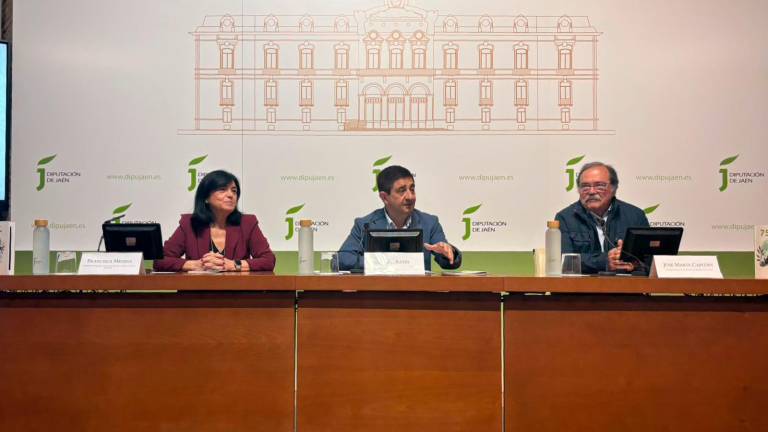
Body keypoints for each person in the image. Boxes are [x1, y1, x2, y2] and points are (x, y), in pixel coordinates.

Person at [338, 165, 461, 271]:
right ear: (384, 197)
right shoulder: (365, 224)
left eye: (412, 189)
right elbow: (342, 260)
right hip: (378, 294)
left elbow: (449, 263)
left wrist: (449, 252)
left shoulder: (429, 223)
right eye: (402, 191)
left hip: (418, 295)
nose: (410, 197)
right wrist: (385, 262)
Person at [154, 170, 276, 272]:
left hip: (238, 296)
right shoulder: (189, 223)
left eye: (234, 190)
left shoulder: (247, 223)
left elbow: (269, 260)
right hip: (195, 296)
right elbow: (160, 260)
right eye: (222, 189)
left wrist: (234, 265)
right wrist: (196, 265)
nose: (230, 195)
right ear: (206, 197)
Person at [555, 161, 649, 274]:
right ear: (578, 190)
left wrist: (634, 263)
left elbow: (650, 260)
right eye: (585, 186)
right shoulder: (565, 218)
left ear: (614, 188)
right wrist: (604, 261)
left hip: (626, 288)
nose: (592, 191)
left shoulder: (635, 216)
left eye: (599, 186)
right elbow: (564, 261)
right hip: (581, 289)